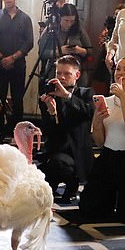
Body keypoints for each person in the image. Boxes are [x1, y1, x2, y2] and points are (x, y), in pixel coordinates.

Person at [80, 58, 125, 224]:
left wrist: (122, 96)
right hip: (108, 158)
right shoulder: (106, 102)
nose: (121, 73)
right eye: (118, 69)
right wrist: (97, 121)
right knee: (90, 210)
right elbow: (100, 142)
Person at [38, 55, 94, 204]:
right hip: (55, 148)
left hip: (76, 151)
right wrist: (52, 112)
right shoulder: (50, 96)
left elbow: (87, 112)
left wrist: (67, 96)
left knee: (57, 164)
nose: (61, 78)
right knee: (39, 178)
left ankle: (72, 183)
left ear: (77, 75)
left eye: (67, 74)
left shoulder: (86, 94)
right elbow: (49, 131)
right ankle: (53, 181)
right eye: (58, 73)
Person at [0, 0, 34, 134]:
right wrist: (2, 59)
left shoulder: (25, 18)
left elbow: (29, 42)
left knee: (18, 98)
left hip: (18, 65)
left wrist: (13, 58)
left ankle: (18, 131)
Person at [38, 3, 93, 86]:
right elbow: (42, 53)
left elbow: (90, 51)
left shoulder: (78, 27)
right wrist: (58, 51)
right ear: (60, 18)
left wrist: (80, 51)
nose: (69, 24)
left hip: (76, 72)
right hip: (55, 71)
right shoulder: (52, 28)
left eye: (72, 21)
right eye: (66, 21)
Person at [92, 2, 125, 95]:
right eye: (116, 14)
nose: (116, 18)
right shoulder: (109, 29)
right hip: (107, 61)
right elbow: (102, 42)